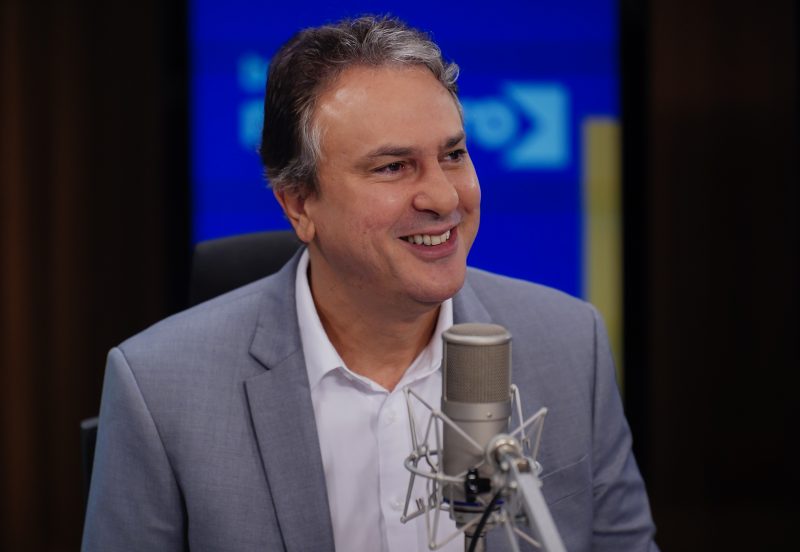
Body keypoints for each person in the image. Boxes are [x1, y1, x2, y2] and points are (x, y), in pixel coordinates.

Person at [82, 16, 658, 552]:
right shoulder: (158, 389)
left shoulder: (570, 344)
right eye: (393, 166)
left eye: (453, 154)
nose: (444, 197)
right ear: (299, 204)